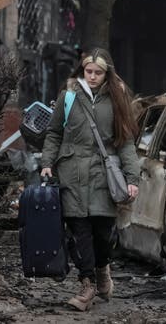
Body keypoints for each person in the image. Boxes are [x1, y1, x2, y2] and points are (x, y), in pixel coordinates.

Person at [40, 48, 140, 312]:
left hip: (104, 176)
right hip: (71, 173)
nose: (92, 76)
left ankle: (102, 269)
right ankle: (87, 285)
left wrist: (132, 178)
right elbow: (53, 133)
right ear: (82, 70)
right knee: (78, 232)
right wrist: (47, 163)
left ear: (107, 73)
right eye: (88, 71)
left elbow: (126, 142)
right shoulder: (68, 96)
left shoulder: (118, 99)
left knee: (102, 234)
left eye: (97, 72)